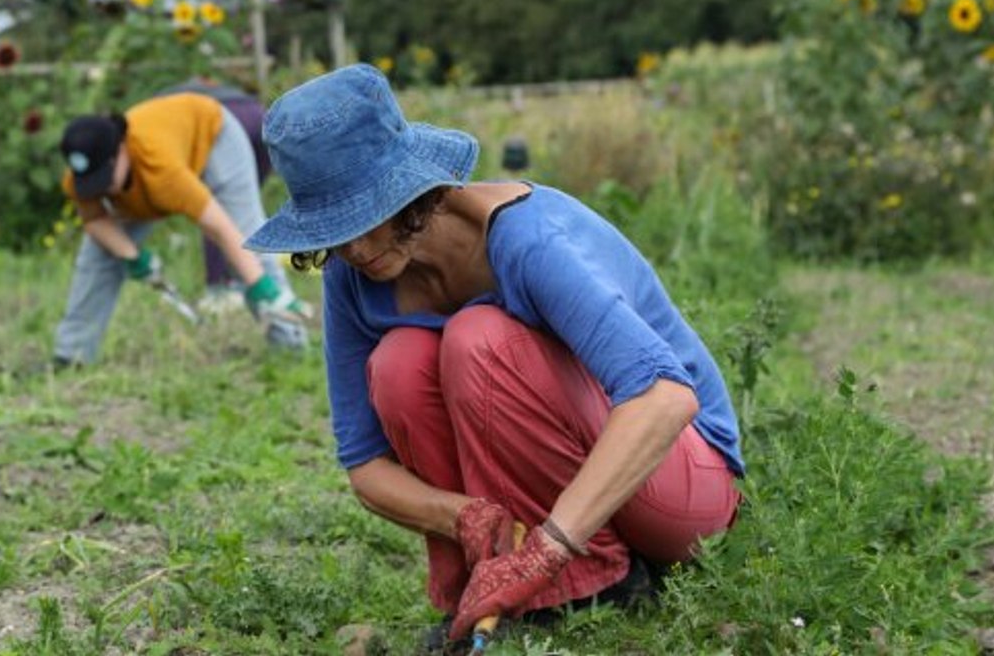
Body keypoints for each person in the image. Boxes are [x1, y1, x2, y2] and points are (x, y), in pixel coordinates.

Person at [243, 64, 743, 647]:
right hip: (581, 490)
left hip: (682, 488)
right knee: (399, 363)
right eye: (334, 228)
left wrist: (548, 548)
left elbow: (664, 398)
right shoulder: (354, 276)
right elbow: (364, 463)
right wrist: (459, 514)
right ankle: (494, 587)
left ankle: (588, 582)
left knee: (479, 337)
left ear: (411, 187)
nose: (353, 247)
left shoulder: (525, 238)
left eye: (364, 214)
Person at [52, 91, 310, 368]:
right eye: (91, 181)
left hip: (213, 135)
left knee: (248, 240)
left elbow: (221, 229)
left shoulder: (161, 172)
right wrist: (131, 256)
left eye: (104, 176)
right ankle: (72, 356)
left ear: (121, 149)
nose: (99, 188)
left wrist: (261, 287)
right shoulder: (84, 175)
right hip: (150, 178)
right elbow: (95, 221)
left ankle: (289, 344)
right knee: (99, 255)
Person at [157, 77, 275, 313]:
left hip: (226, 121)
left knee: (213, 210)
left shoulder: (153, 119)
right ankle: (253, 280)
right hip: (259, 116)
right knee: (247, 209)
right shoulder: (198, 93)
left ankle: (222, 288)